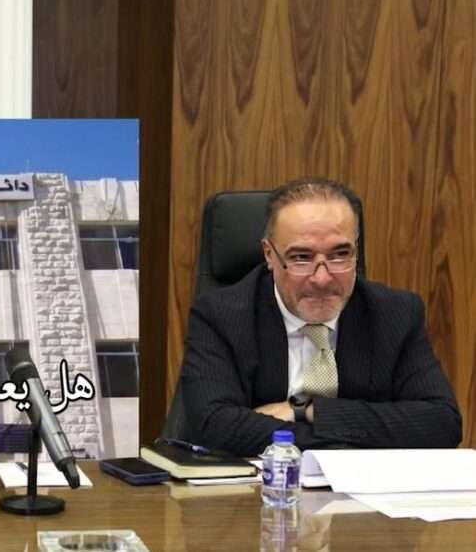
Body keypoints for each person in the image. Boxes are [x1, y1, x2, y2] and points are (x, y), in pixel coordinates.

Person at [179, 178, 460, 457]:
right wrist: (350, 438)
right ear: (269, 255)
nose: (322, 278)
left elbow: (442, 423)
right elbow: (214, 426)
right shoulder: (221, 316)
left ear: (356, 251)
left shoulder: (394, 314)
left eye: (340, 255)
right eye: (301, 257)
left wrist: (306, 409)